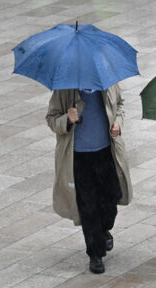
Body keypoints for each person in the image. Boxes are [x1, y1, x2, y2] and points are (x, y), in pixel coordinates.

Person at [46, 84, 132, 274]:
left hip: (105, 152)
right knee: (88, 207)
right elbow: (51, 119)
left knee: (111, 199)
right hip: (78, 157)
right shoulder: (65, 89)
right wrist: (67, 119)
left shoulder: (107, 83)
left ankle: (104, 229)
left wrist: (118, 122)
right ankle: (95, 254)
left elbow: (120, 104)